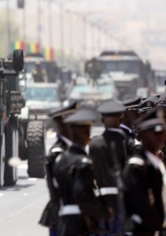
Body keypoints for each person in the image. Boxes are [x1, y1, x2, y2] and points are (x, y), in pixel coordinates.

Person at [52, 108, 111, 236]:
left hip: (64, 221)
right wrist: (102, 212)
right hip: (79, 223)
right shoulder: (83, 162)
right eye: (87, 132)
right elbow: (81, 194)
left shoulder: (60, 160)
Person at [88, 100, 129, 234]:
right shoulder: (128, 142)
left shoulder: (94, 144)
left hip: (102, 202)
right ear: (121, 118)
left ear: (102, 120)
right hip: (125, 201)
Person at [122, 111, 166, 235]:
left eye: (162, 132)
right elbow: (142, 205)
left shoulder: (154, 164)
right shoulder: (136, 166)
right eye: (154, 133)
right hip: (141, 229)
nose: (160, 137)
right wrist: (159, 228)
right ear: (141, 134)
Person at [39, 102, 77, 236]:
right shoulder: (58, 152)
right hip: (62, 211)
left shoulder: (72, 148)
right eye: (73, 123)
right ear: (62, 125)